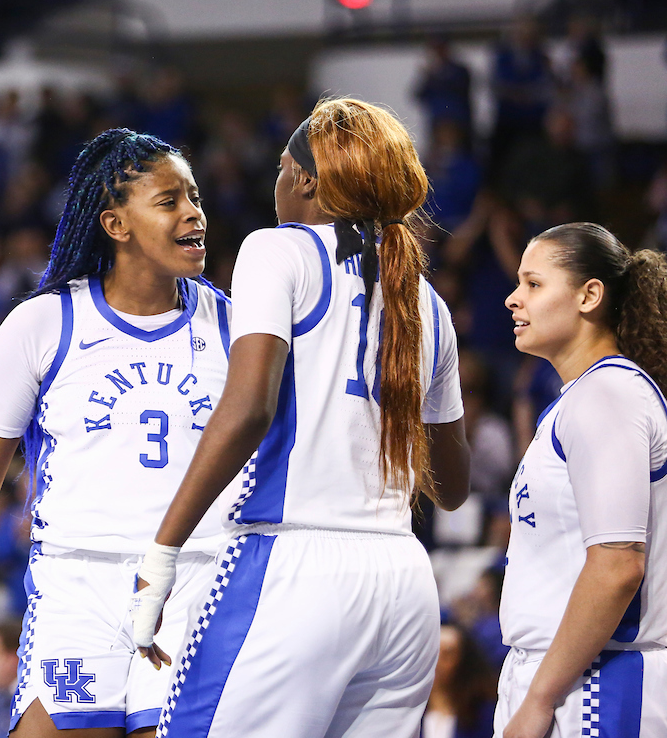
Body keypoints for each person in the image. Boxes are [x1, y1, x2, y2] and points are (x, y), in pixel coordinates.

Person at [131, 97, 471, 737]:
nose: (277, 179)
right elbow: (452, 488)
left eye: (284, 166)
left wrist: (164, 547)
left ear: (308, 181)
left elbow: (250, 407)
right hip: (404, 583)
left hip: (294, 570)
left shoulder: (276, 251)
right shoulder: (428, 301)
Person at [0, 128, 233, 738]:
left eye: (194, 197)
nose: (194, 211)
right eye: (169, 200)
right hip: (77, 587)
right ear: (115, 224)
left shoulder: (235, 321)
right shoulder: (43, 323)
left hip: (195, 585)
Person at [496, 222, 667, 738]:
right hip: (566, 674)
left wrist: (540, 698)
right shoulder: (581, 398)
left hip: (596, 685)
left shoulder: (609, 394)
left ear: (589, 295)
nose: (512, 299)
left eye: (533, 284)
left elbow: (617, 566)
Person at [420, 623, 497, 738]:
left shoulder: (484, 714)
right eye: (431, 653)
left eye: (447, 654)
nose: (437, 662)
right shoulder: (409, 713)